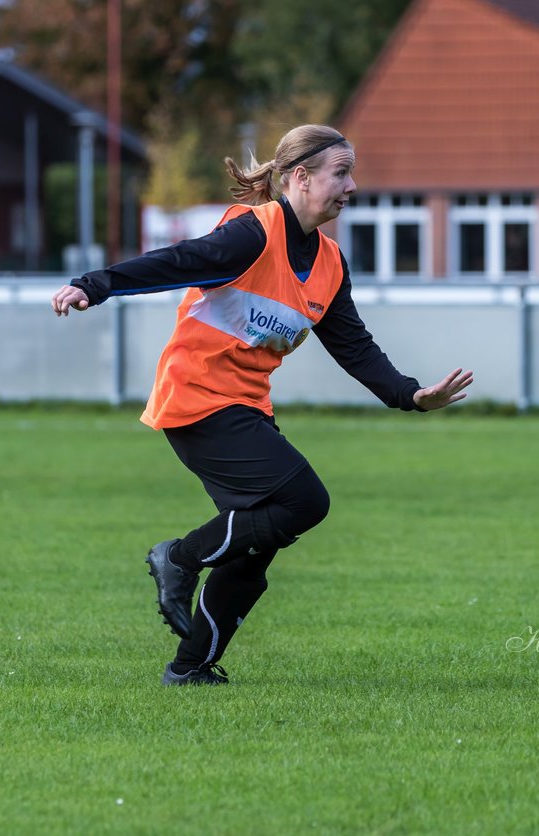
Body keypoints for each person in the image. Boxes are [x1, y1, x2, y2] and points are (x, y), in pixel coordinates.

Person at [51, 124, 472, 686]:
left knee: (255, 551)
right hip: (196, 396)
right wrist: (94, 284)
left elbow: (354, 348)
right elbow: (176, 262)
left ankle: (190, 668)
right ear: (300, 178)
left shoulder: (328, 262)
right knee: (305, 500)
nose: (352, 186)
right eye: (341, 173)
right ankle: (177, 558)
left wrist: (410, 396)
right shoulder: (252, 236)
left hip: (246, 406)